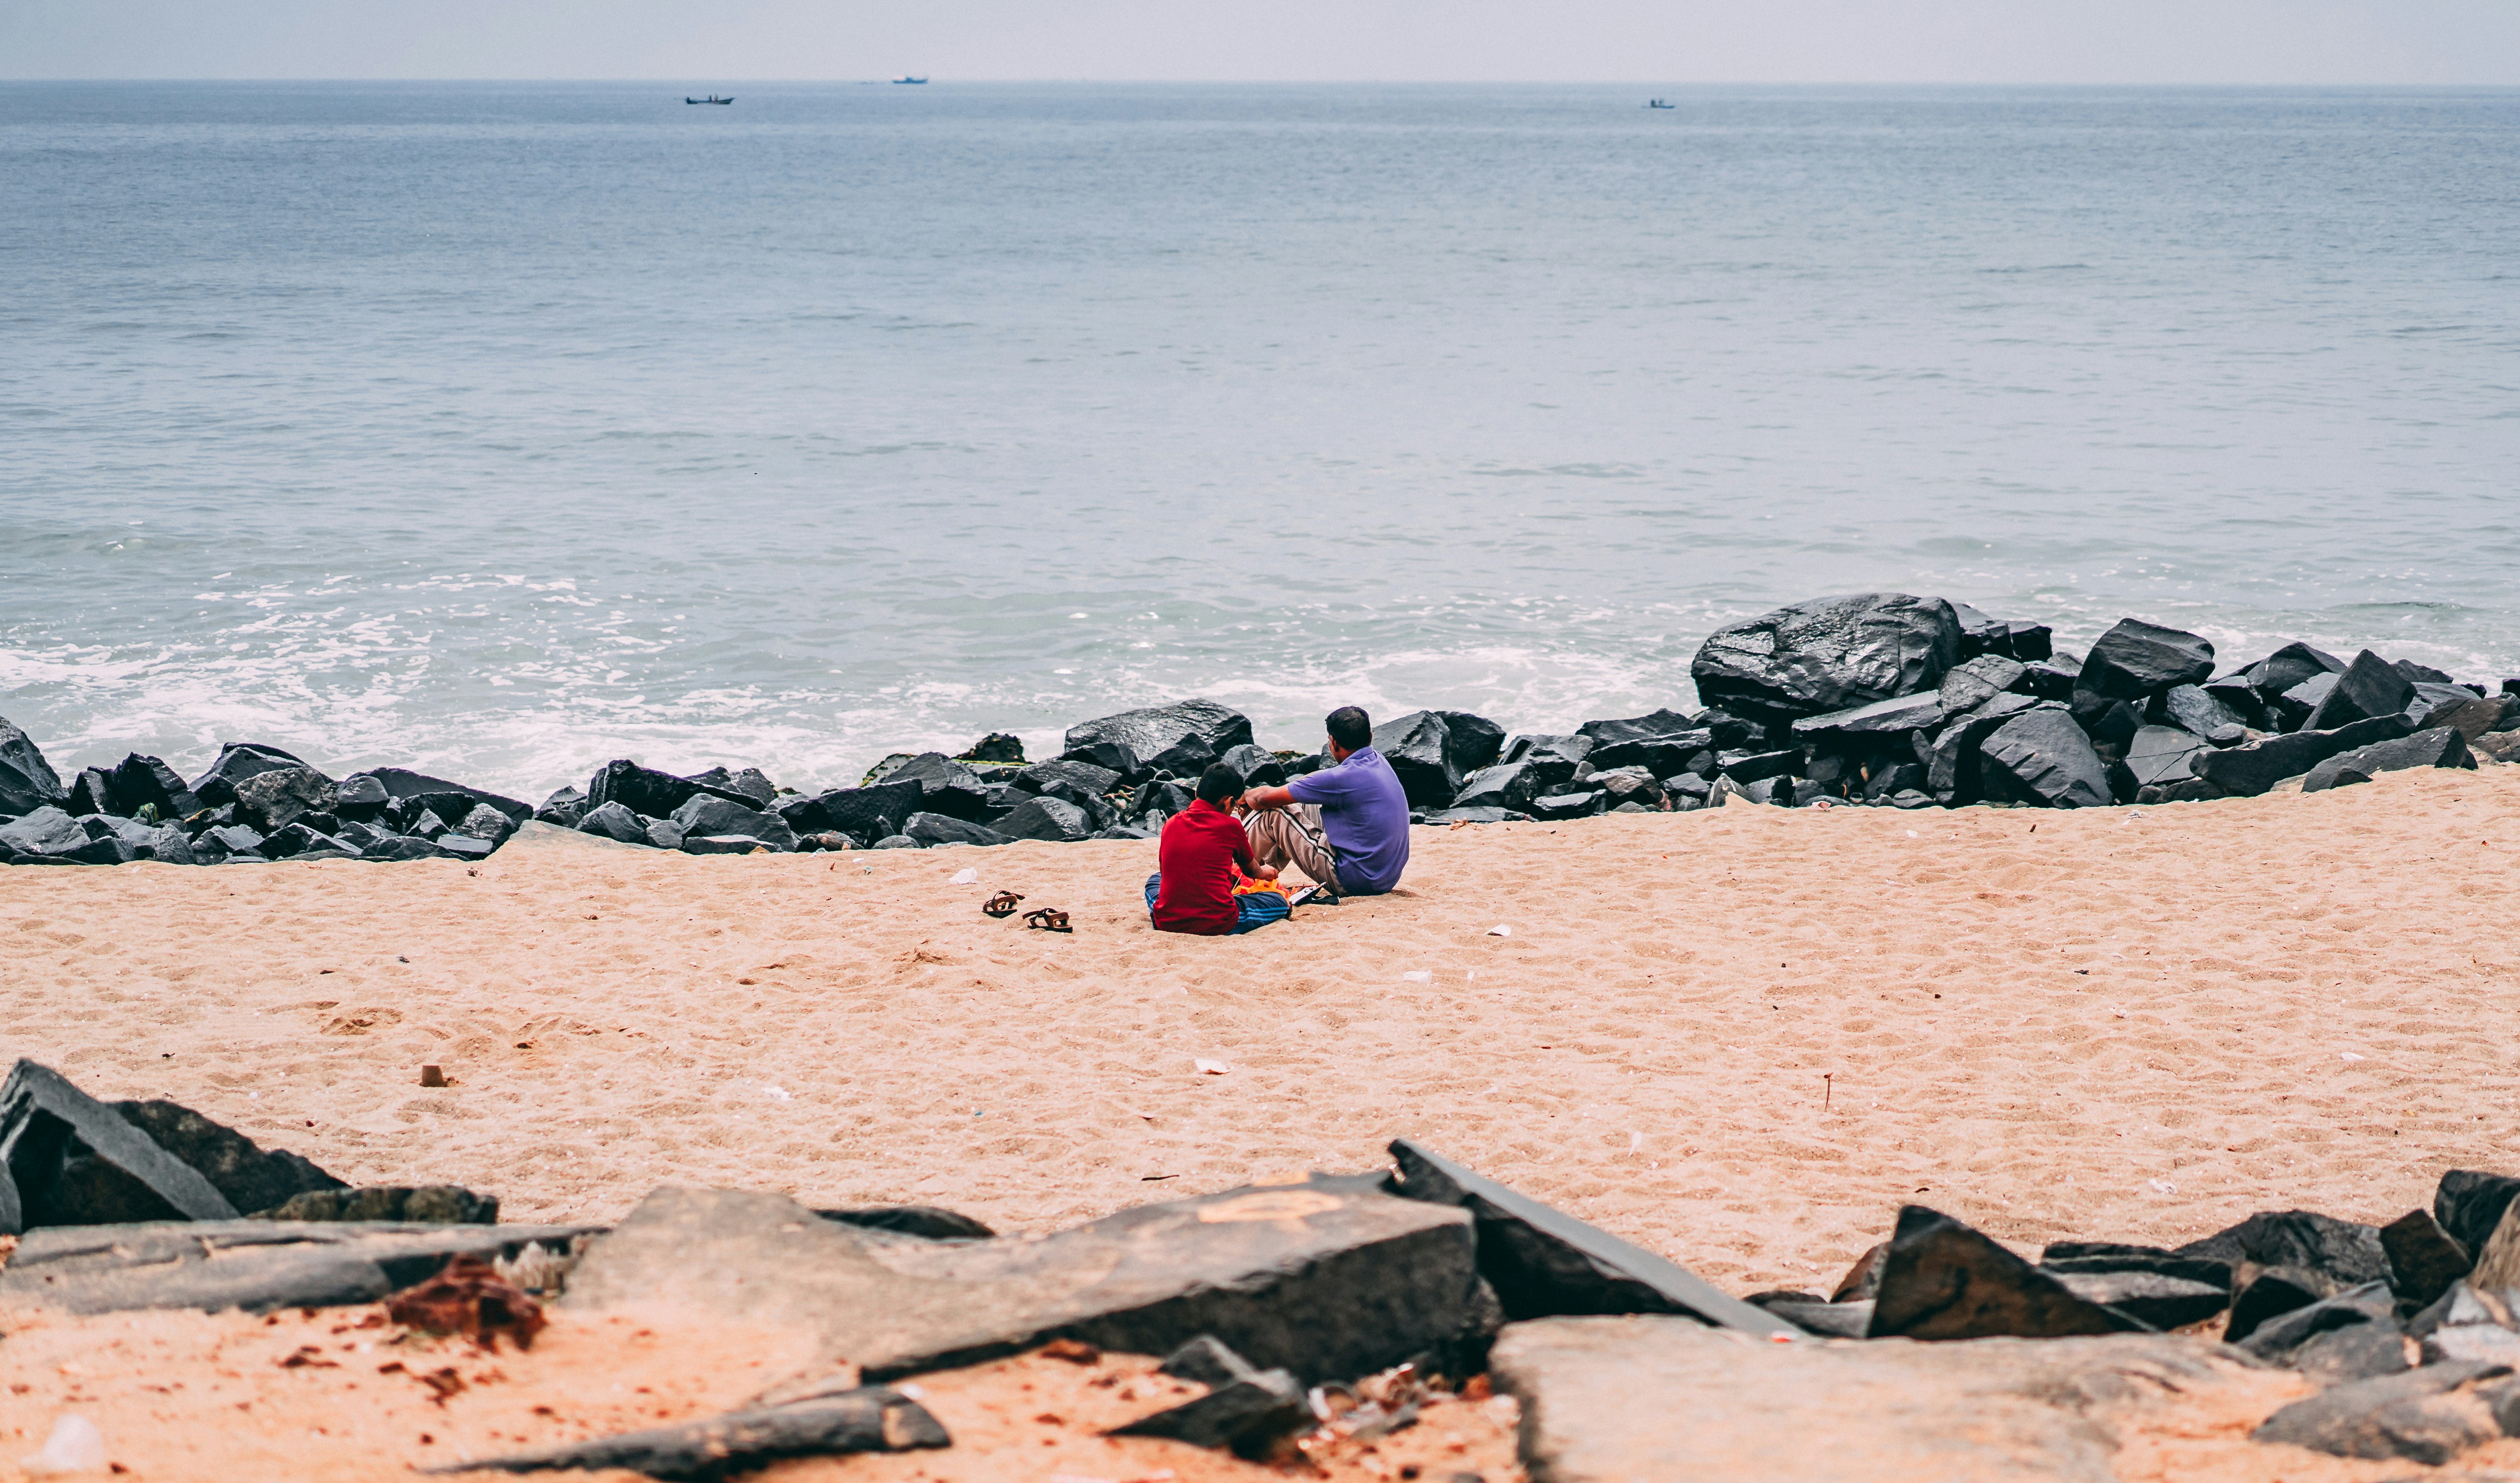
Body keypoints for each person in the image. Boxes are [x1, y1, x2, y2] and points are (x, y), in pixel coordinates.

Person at [1239, 705, 1409, 900]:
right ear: (1370, 736)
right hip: (1385, 876)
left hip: (1354, 880)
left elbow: (1261, 799)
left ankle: (1232, 873)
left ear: (1333, 743)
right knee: (1302, 801)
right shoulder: (1379, 761)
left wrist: (1244, 796)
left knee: (1274, 814)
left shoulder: (1342, 778)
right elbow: (1304, 786)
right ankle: (1260, 872)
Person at [1145, 763, 1293, 936]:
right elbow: (1252, 871)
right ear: (1228, 802)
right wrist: (1267, 872)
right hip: (1217, 922)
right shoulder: (1231, 826)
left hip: (1167, 921)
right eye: (1235, 806)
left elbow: (1166, 873)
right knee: (1279, 902)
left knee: (1154, 881)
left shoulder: (1171, 824)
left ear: (1196, 794)